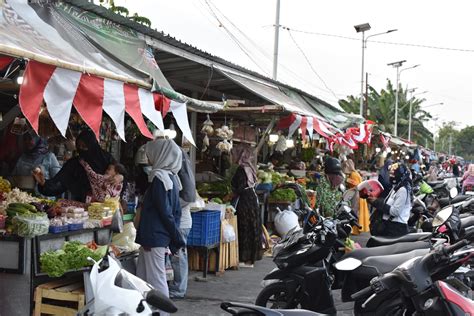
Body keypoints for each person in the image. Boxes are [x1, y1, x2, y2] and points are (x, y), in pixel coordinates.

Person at [135, 138, 184, 301]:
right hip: (157, 237)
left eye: (151, 153)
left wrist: (175, 237)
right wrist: (173, 236)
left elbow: (165, 211)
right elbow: (174, 211)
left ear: (160, 154)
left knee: (156, 279)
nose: (148, 157)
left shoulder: (159, 178)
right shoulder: (172, 177)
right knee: (143, 278)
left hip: (154, 236)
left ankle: (163, 312)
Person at [33, 130, 115, 202]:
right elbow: (59, 183)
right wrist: (43, 183)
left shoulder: (106, 159)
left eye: (84, 146)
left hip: (107, 206)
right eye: (79, 146)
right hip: (81, 209)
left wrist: (120, 177)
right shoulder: (74, 164)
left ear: (92, 146)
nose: (81, 149)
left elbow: (121, 176)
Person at [231, 144, 262, 267]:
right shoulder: (249, 167)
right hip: (252, 199)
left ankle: (246, 259)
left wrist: (232, 194)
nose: (232, 157)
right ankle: (251, 258)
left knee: (245, 227)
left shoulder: (241, 169)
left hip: (245, 201)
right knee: (251, 227)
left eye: (233, 154)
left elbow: (240, 187)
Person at [368, 163, 412, 237]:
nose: (391, 176)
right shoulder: (396, 187)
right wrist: (374, 201)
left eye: (394, 174)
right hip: (389, 227)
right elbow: (387, 203)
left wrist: (377, 202)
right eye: (390, 174)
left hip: (396, 229)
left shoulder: (402, 190)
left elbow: (395, 211)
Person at [342, 159, 370, 233]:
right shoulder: (354, 173)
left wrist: (347, 180)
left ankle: (354, 229)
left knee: (354, 212)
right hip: (356, 195)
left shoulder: (353, 174)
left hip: (356, 196)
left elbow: (357, 185)